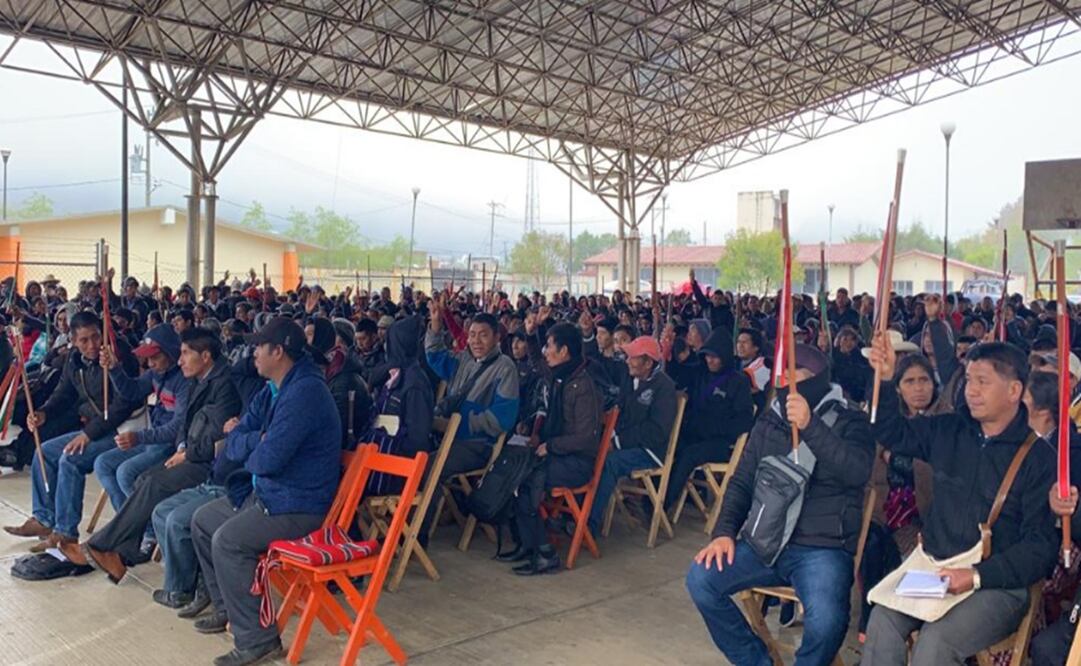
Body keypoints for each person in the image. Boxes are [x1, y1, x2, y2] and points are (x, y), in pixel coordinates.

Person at [861, 337, 1057, 665]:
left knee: (936, 642)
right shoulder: (950, 429)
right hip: (935, 569)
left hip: (997, 586)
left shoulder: (1038, 457)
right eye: (968, 380)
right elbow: (892, 432)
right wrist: (882, 378)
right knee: (882, 620)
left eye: (983, 382)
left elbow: (1039, 547)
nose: (971, 390)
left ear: (1014, 391)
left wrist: (976, 575)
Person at [686, 343, 875, 665]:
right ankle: (757, 661)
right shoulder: (771, 418)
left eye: (794, 372)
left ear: (816, 377)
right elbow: (742, 481)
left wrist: (811, 425)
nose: (785, 379)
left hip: (822, 547)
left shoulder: (850, 419)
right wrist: (724, 531)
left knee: (828, 621)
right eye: (782, 372)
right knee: (701, 579)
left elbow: (856, 471)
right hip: (766, 541)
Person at [189, 317, 341, 666]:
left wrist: (250, 445)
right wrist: (251, 441)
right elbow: (236, 440)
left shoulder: (305, 392)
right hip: (270, 495)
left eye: (259, 346)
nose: (252, 352)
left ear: (279, 351)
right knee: (202, 521)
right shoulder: (273, 388)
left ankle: (258, 640)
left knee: (228, 541)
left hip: (296, 505)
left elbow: (267, 460)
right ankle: (231, 611)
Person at [63, 328, 241, 581]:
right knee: (137, 477)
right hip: (186, 450)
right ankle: (119, 552)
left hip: (206, 462)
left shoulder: (220, 385)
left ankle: (103, 546)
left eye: (184, 354)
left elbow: (208, 436)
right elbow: (141, 396)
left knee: (140, 477)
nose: (180, 361)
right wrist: (114, 369)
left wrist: (183, 452)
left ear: (205, 356)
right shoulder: (192, 376)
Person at [3, 311, 139, 552]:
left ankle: (66, 533)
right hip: (95, 427)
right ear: (73, 341)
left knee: (71, 458)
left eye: (96, 337)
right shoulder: (74, 360)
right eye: (84, 340)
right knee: (43, 452)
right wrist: (43, 413)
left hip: (122, 430)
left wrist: (87, 434)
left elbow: (122, 405)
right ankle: (44, 519)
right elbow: (64, 393)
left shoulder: (119, 356)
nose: (92, 345)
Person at [500, 323, 602, 575]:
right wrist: (534, 331)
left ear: (564, 351)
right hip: (555, 454)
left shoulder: (583, 385)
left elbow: (585, 438)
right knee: (511, 470)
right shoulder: (559, 375)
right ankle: (527, 543)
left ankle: (544, 551)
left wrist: (551, 446)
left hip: (576, 462)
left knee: (525, 480)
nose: (546, 351)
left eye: (550, 346)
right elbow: (538, 360)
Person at [425, 293, 519, 491]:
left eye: (483, 335)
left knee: (427, 468)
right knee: (412, 455)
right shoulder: (463, 360)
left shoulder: (505, 368)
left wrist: (459, 425)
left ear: (497, 338)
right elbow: (435, 356)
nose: (476, 341)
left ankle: (425, 519)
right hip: (447, 436)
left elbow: (502, 419)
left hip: (478, 445)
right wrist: (435, 324)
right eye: (472, 335)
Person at [586, 335, 677, 534]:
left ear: (648, 363)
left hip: (650, 450)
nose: (628, 361)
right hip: (626, 441)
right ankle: (577, 512)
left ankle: (589, 524)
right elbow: (620, 410)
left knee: (610, 461)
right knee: (588, 451)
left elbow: (655, 431)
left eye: (633, 357)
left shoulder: (664, 387)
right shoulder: (630, 378)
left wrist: (617, 442)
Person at [93, 324, 188, 512]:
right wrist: (114, 368)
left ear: (171, 353)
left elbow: (178, 427)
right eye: (147, 358)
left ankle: (147, 528)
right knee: (102, 463)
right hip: (152, 439)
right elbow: (132, 391)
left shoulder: (184, 381)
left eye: (155, 357)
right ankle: (125, 520)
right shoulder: (155, 374)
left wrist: (140, 437)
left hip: (168, 444)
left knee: (126, 473)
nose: (150, 363)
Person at [664, 328, 754, 510]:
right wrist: (668, 349)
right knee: (668, 447)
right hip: (694, 434)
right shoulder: (700, 373)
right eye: (707, 356)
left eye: (715, 357)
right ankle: (656, 494)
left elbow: (745, 420)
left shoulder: (738, 381)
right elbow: (677, 373)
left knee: (688, 456)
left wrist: (715, 427)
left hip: (721, 442)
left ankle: (661, 504)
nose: (710, 360)